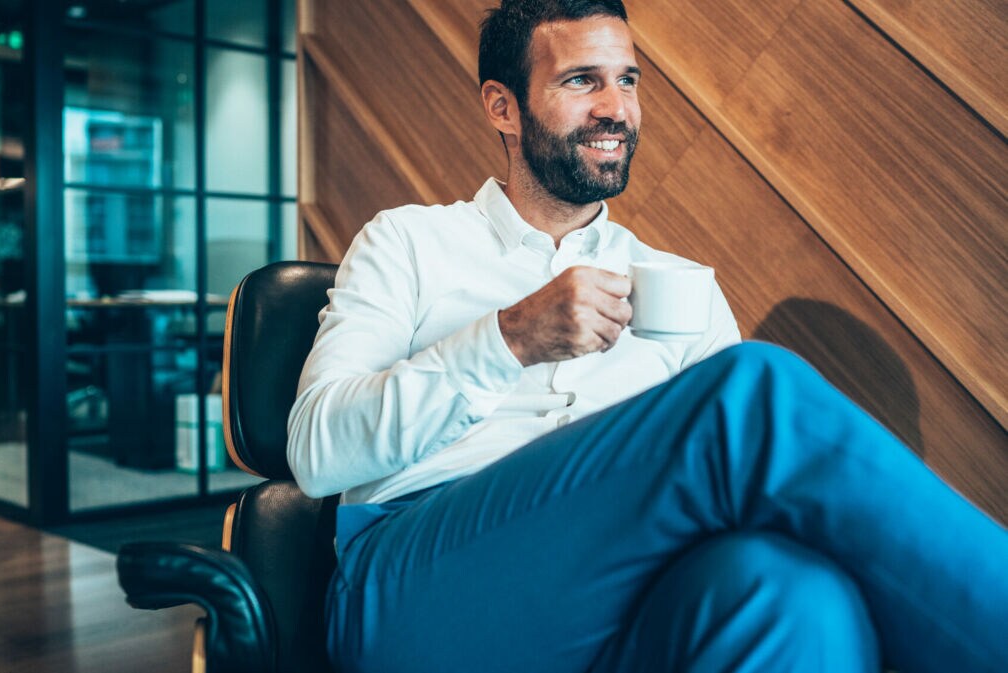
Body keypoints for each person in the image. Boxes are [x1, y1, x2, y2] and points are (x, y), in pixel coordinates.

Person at [286, 1, 1008, 671]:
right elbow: (318, 453)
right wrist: (509, 339)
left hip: (619, 598)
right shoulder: (408, 242)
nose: (616, 108)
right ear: (502, 106)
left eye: (627, 80)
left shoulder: (674, 282)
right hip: (418, 591)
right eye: (581, 81)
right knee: (752, 394)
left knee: (792, 592)